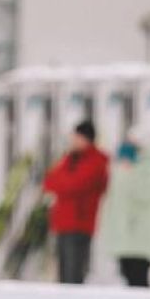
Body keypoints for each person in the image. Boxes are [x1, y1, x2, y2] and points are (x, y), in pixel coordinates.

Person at [97, 134, 150, 287]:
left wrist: (129, 173)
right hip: (124, 237)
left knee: (139, 278)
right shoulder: (120, 167)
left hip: (141, 236)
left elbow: (149, 194)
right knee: (128, 276)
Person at [43, 120, 109, 284]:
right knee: (63, 274)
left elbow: (74, 185)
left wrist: (61, 182)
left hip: (79, 224)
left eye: (76, 137)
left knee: (74, 274)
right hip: (63, 222)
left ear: (86, 139)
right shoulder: (71, 158)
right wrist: (61, 182)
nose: (73, 141)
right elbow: (49, 181)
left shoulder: (96, 161)